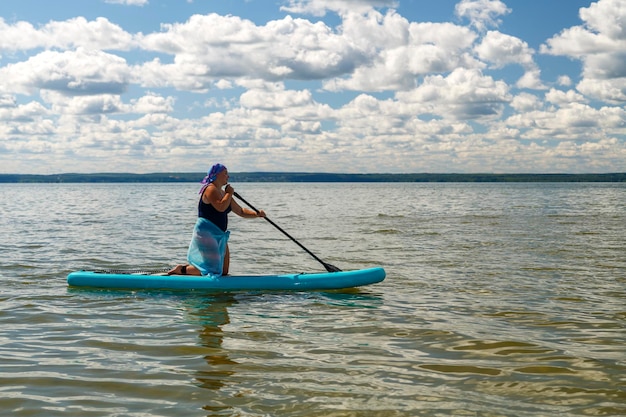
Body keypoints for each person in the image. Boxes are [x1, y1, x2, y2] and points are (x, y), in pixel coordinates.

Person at [168, 164, 266, 276]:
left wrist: (256, 214)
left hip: (220, 234)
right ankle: (182, 269)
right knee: (213, 270)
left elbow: (241, 211)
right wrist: (229, 193)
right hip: (206, 233)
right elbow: (221, 207)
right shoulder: (210, 189)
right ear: (217, 175)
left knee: (223, 271)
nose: (228, 176)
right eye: (225, 174)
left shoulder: (224, 193)